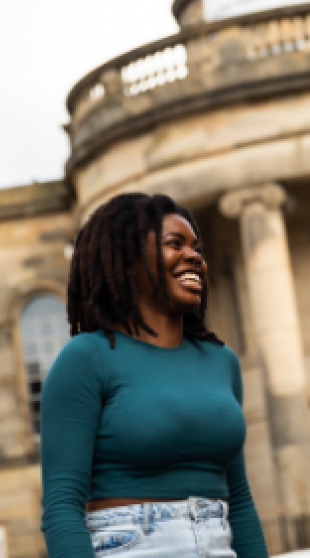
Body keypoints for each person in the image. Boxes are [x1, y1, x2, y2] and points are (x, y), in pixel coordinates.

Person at [40, 193, 269, 558]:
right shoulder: (87, 358)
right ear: (129, 260)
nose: (193, 256)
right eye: (175, 244)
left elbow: (239, 501)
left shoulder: (222, 361)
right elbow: (62, 506)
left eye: (197, 248)